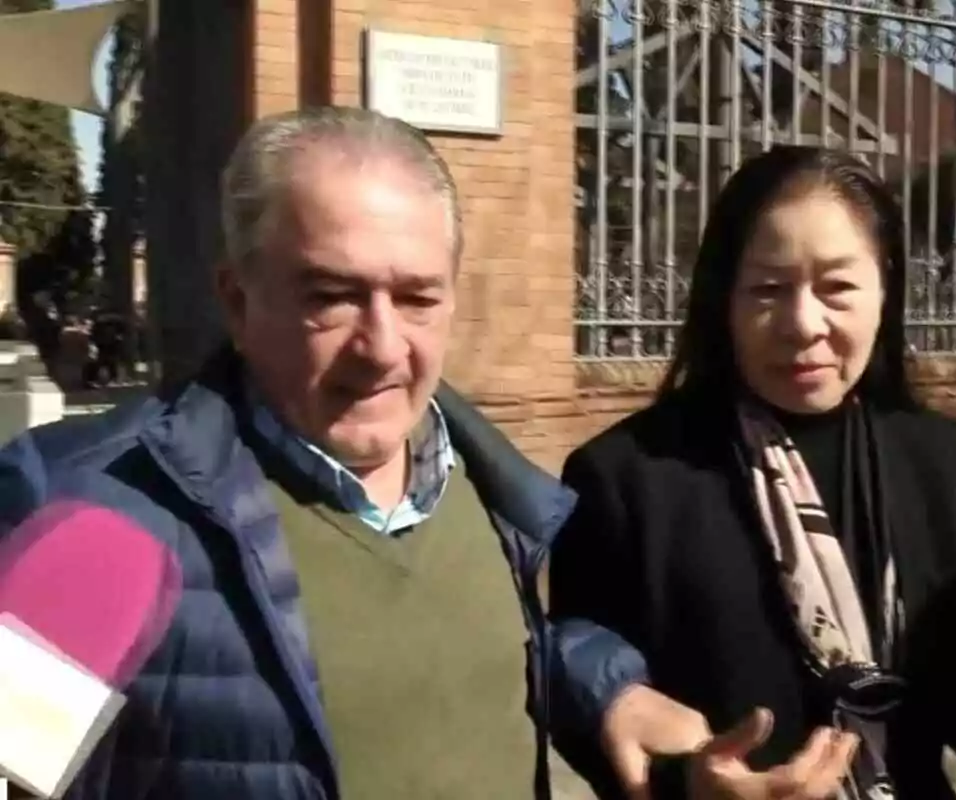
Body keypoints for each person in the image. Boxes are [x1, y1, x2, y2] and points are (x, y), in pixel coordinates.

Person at [0, 107, 593, 800]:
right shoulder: (92, 510)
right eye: (333, 297)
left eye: (417, 298)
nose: (382, 347)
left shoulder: (498, 494)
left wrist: (612, 693)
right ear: (237, 299)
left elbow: (470, 664)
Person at [548, 147, 956, 800]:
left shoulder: (937, 457)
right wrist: (689, 782)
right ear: (723, 298)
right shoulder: (626, 479)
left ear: (885, 288)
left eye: (836, 288)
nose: (804, 324)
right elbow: (593, 715)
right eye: (768, 290)